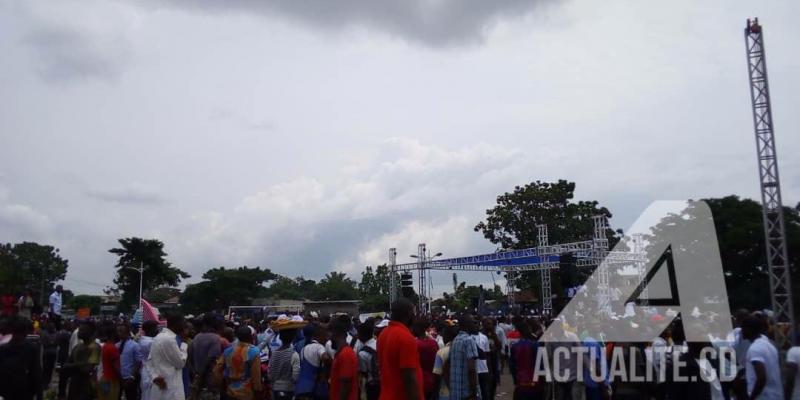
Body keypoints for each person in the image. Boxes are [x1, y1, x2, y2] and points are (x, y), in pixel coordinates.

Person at [377, 298, 423, 400]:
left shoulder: (383, 334)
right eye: (414, 312)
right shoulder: (406, 337)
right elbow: (409, 378)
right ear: (409, 313)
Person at [147, 312, 188, 400]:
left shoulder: (158, 337)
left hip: (160, 385)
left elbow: (149, 362)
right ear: (177, 324)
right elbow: (180, 363)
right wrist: (184, 344)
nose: (184, 327)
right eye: (183, 324)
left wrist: (154, 377)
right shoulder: (169, 339)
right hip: (171, 388)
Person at [741, 315, 783, 399]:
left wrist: (752, 397)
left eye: (743, 328)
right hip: (776, 395)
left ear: (748, 329)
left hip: (764, 396)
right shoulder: (769, 345)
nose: (741, 331)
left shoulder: (755, 348)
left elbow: (761, 378)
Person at [0, 316, 42, 400]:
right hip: (17, 392)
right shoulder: (31, 349)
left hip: (18, 392)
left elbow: (36, 373)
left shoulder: (3, 349)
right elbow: (37, 374)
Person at [216, 326, 262, 400]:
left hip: (230, 391)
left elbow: (217, 371)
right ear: (250, 337)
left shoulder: (227, 351)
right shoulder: (255, 352)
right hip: (246, 393)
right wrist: (258, 392)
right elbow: (256, 376)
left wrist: (221, 385)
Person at [188, 313, 223, 400]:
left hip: (198, 383)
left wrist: (195, 376)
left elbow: (189, 359)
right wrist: (199, 376)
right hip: (210, 383)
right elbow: (210, 359)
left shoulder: (196, 337)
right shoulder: (215, 338)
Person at [63, 320, 100, 400]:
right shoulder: (77, 347)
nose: (79, 332)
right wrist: (81, 364)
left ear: (89, 332)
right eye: (79, 330)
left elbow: (88, 369)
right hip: (74, 385)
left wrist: (73, 366)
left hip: (86, 386)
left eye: (82, 330)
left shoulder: (95, 347)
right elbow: (66, 365)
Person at [445, 315, 479, 400]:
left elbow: (446, 365)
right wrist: (474, 392)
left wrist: (450, 386)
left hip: (454, 394)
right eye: (474, 322)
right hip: (466, 394)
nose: (476, 324)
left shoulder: (455, 340)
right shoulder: (469, 340)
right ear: (467, 325)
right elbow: (471, 369)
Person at [296, 323, 332, 400]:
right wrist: (327, 368)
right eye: (325, 336)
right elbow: (325, 358)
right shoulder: (319, 347)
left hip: (301, 388)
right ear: (319, 335)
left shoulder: (303, 349)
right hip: (313, 390)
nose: (327, 338)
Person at [509, 320, 543, 400]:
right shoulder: (535, 345)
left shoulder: (515, 347)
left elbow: (512, 366)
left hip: (521, 384)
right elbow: (540, 365)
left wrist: (516, 380)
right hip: (535, 385)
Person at [269, 326, 302, 400]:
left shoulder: (274, 354)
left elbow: (270, 373)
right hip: (289, 390)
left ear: (280, 337)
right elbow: (295, 376)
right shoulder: (294, 354)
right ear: (293, 337)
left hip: (275, 389)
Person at [330, 318, 359, 400]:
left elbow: (346, 384)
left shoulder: (345, 354)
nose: (328, 337)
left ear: (335, 333)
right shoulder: (341, 353)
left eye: (330, 333)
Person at [414, 318, 439, 400]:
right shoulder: (434, 343)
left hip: (418, 381)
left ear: (418, 328)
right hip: (432, 380)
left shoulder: (415, 344)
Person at [432, 324, 458, 400]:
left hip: (445, 393)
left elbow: (437, 376)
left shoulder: (441, 352)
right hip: (461, 392)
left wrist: (434, 394)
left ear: (447, 336)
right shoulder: (463, 351)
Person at [97, 322, 121, 400]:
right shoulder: (113, 348)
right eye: (117, 332)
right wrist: (122, 380)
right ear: (113, 334)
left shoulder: (105, 346)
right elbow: (116, 367)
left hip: (104, 379)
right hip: (111, 381)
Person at [118, 321, 142, 400]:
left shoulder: (134, 345)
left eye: (121, 331)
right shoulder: (116, 345)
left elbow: (138, 362)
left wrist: (132, 377)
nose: (119, 333)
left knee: (131, 397)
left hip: (130, 378)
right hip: (119, 378)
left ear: (127, 332)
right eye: (118, 331)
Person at [357, 321, 380, 400]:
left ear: (360, 335)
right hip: (385, 381)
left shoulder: (362, 353)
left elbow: (364, 373)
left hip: (372, 386)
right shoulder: (379, 343)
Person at [139, 320, 160, 400]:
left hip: (149, 371)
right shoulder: (148, 342)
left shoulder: (147, 340)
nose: (157, 330)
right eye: (155, 328)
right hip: (149, 372)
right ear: (149, 329)